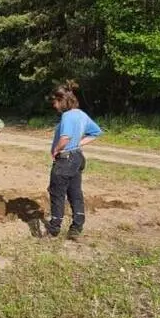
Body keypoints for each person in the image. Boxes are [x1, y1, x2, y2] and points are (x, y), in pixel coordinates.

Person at [44, 80, 102, 240]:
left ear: (61, 100)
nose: (54, 106)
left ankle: (54, 228)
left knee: (57, 193)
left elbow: (65, 137)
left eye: (55, 102)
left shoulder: (68, 116)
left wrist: (56, 149)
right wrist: (78, 143)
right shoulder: (81, 114)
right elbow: (96, 132)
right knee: (75, 192)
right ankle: (77, 226)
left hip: (65, 159)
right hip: (77, 157)